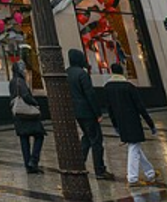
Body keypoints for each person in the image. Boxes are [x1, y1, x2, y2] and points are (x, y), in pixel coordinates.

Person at [104, 62, 158, 187]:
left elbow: (109, 108)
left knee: (136, 146)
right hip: (132, 121)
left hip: (121, 121)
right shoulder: (128, 87)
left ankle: (150, 173)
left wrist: (115, 125)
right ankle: (132, 177)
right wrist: (150, 124)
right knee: (134, 147)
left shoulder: (107, 87)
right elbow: (140, 106)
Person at [67, 49, 114, 180]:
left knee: (87, 137)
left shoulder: (67, 73)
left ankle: (79, 164)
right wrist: (97, 113)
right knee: (96, 140)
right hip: (87, 111)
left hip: (76, 111)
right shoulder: (82, 74)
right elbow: (90, 94)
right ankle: (100, 169)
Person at [9, 61, 45, 174]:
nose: (24, 71)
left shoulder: (12, 82)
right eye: (23, 69)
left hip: (18, 113)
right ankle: (33, 161)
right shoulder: (20, 81)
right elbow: (25, 96)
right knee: (39, 135)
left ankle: (28, 163)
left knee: (24, 139)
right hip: (26, 113)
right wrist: (35, 103)